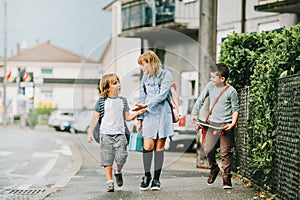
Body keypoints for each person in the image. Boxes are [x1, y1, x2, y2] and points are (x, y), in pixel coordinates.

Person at [87, 73, 146, 192]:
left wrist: (139, 113)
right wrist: (90, 132)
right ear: (107, 87)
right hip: (106, 134)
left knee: (122, 157)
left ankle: (118, 171)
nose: (119, 85)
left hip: (120, 134)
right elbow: (95, 118)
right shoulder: (102, 101)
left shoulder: (123, 101)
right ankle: (109, 182)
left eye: (119, 82)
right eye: (115, 83)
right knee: (107, 159)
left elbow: (127, 117)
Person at [190, 63, 239, 189]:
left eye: (213, 77)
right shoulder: (210, 86)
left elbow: (235, 109)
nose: (211, 80)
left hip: (225, 126)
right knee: (207, 149)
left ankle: (226, 179)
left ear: (222, 79)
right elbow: (201, 99)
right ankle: (214, 169)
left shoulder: (231, 91)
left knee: (225, 152)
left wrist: (232, 123)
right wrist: (194, 113)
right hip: (211, 124)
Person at [136, 51, 174, 191]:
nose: (142, 68)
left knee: (159, 147)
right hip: (148, 115)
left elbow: (162, 95)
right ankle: (147, 176)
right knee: (147, 146)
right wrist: (139, 118)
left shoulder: (166, 75)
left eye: (143, 65)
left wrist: (146, 105)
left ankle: (157, 180)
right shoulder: (145, 78)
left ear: (151, 63)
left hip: (163, 114)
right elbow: (141, 97)